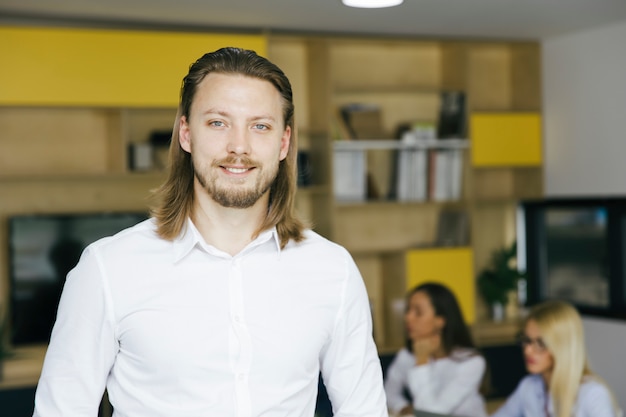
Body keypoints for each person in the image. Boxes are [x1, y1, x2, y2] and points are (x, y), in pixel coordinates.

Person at [32, 47, 388, 417]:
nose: (239, 147)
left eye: (260, 126)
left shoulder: (333, 269)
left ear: (283, 143)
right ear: (186, 133)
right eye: (218, 123)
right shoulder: (107, 268)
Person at [491, 300, 621, 417]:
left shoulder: (592, 394)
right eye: (526, 340)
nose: (527, 350)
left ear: (562, 347)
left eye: (540, 343)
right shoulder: (529, 387)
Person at [384, 282, 488, 417]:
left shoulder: (471, 362)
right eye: (408, 310)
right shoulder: (406, 355)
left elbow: (431, 414)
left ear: (440, 320)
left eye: (418, 312)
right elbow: (388, 393)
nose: (408, 318)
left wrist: (422, 361)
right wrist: (403, 407)